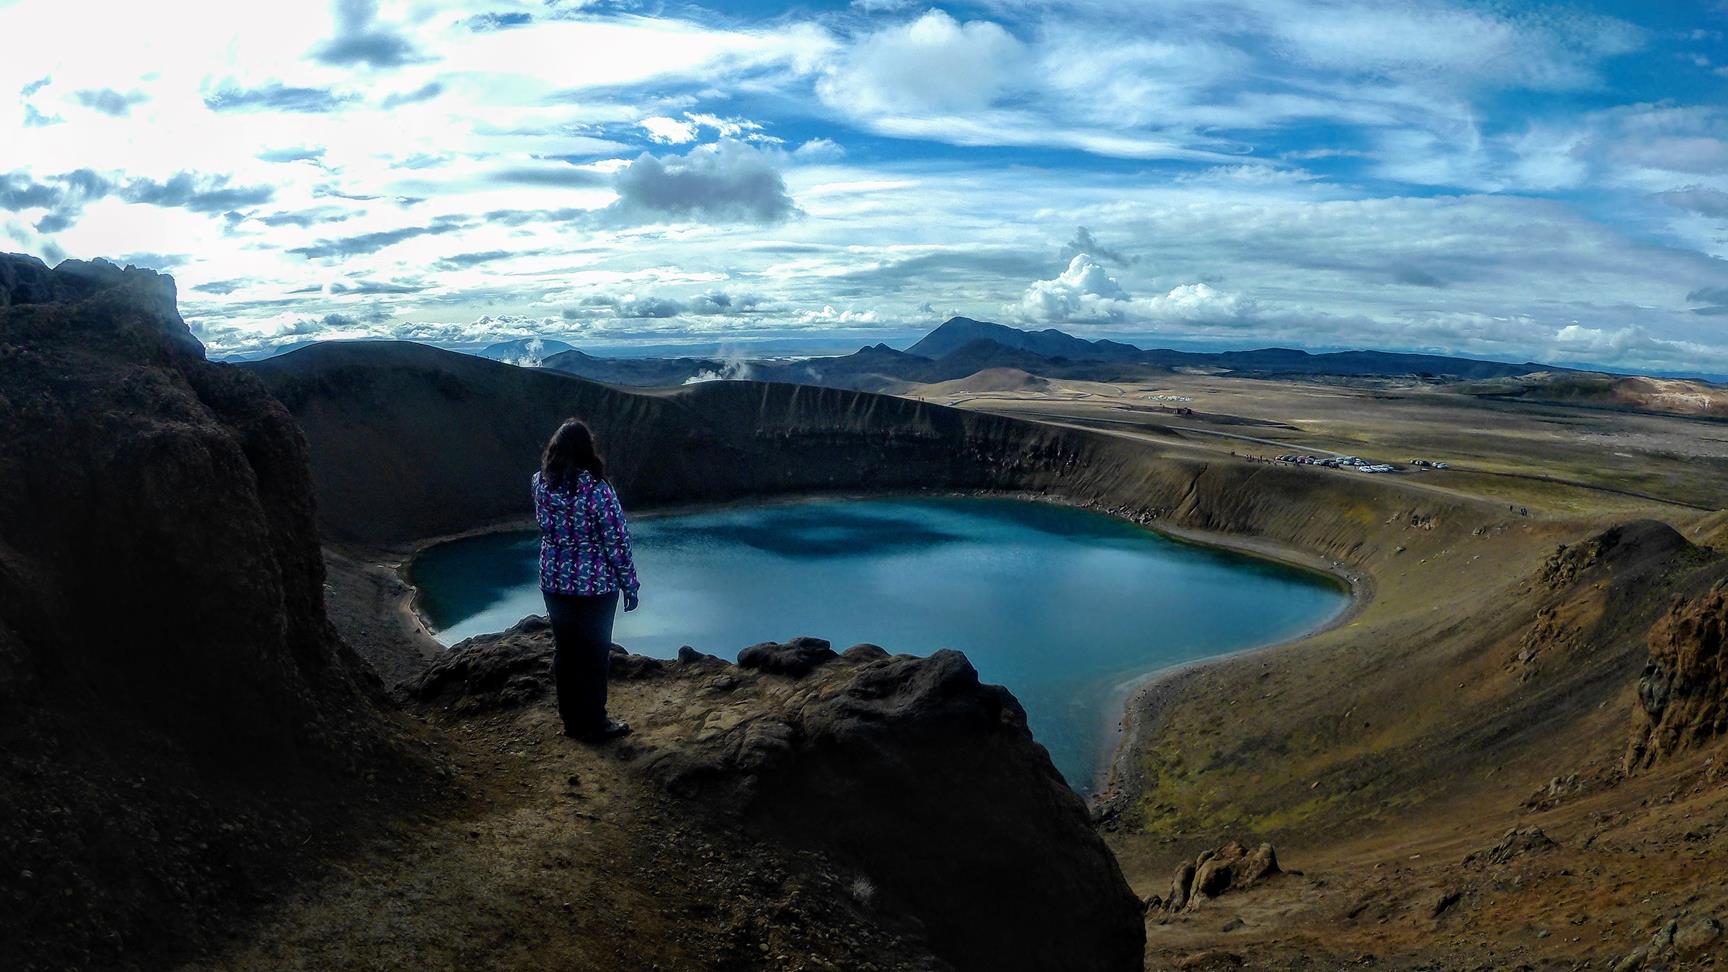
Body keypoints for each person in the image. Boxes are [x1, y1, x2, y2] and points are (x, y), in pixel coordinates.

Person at [533, 418, 640, 742]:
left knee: (566, 653)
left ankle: (571, 721)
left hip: (555, 583)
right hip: (594, 587)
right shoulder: (597, 491)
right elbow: (617, 541)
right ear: (586, 450)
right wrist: (630, 585)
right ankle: (595, 721)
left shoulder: (540, 485)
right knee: (594, 654)